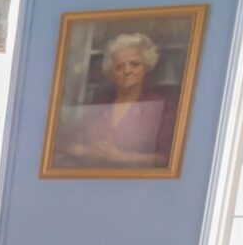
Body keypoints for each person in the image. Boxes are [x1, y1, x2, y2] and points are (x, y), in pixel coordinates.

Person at [59, 32, 177, 169]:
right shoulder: (100, 104)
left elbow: (166, 158)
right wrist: (88, 151)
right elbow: (64, 144)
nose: (127, 71)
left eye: (134, 64)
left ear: (146, 67)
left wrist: (123, 157)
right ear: (111, 73)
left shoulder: (162, 106)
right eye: (119, 67)